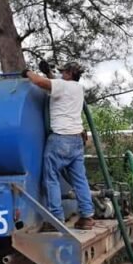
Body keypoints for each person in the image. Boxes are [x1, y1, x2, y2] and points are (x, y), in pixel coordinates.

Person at [21, 61, 95, 230]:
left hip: (60, 140)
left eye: (64, 72)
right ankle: (87, 216)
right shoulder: (77, 88)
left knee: (51, 177)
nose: (61, 75)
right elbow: (56, 85)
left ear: (69, 73)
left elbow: (40, 83)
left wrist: (27, 72)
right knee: (80, 180)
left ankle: (56, 219)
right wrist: (48, 73)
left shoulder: (62, 85)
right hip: (76, 140)